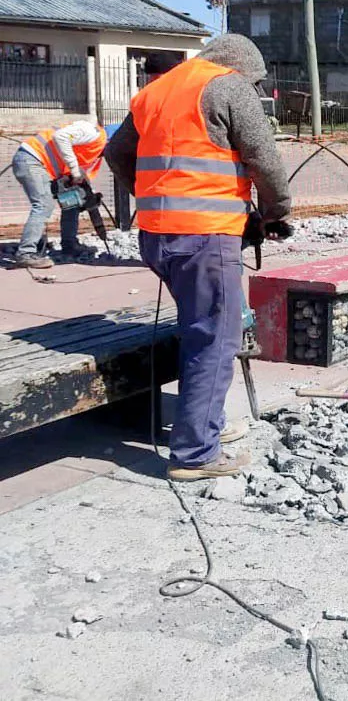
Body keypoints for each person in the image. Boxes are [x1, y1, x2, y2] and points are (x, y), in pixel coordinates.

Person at [106, 35, 292, 481]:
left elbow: (116, 153)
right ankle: (195, 453)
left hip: (157, 237)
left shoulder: (158, 90)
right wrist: (275, 212)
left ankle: (203, 424)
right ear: (243, 67)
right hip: (206, 238)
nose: (257, 90)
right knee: (215, 338)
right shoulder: (229, 87)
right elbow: (264, 160)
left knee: (199, 326)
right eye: (257, 83)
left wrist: (153, 195)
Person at [9, 119, 110, 268]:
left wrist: (88, 194)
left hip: (40, 164)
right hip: (32, 160)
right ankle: (26, 253)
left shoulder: (95, 151)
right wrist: (75, 171)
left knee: (72, 203)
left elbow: (79, 174)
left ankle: (69, 246)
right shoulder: (92, 132)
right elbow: (61, 137)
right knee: (43, 205)